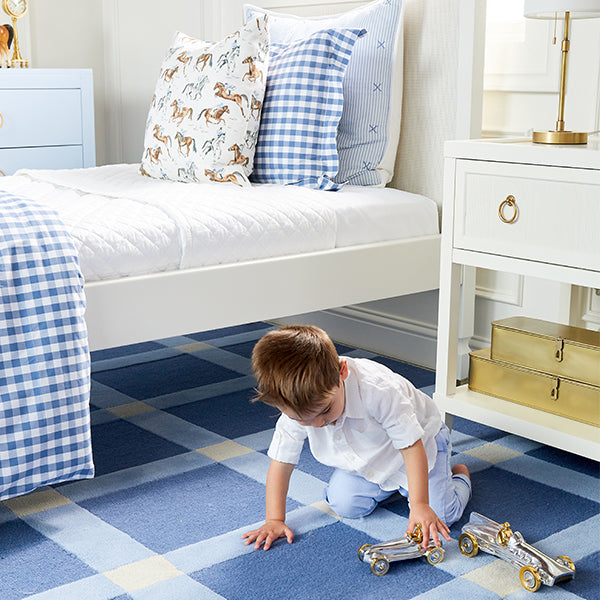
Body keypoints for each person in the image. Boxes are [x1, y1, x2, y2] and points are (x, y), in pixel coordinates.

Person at [242, 325, 471, 551]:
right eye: (304, 420)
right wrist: (274, 520)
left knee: (441, 518)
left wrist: (420, 505)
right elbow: (281, 463)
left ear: (342, 372)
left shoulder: (378, 390)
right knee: (344, 505)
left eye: (325, 411)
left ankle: (459, 476)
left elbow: (411, 447)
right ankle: (397, 488)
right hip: (369, 456)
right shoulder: (296, 406)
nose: (319, 424)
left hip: (422, 444)